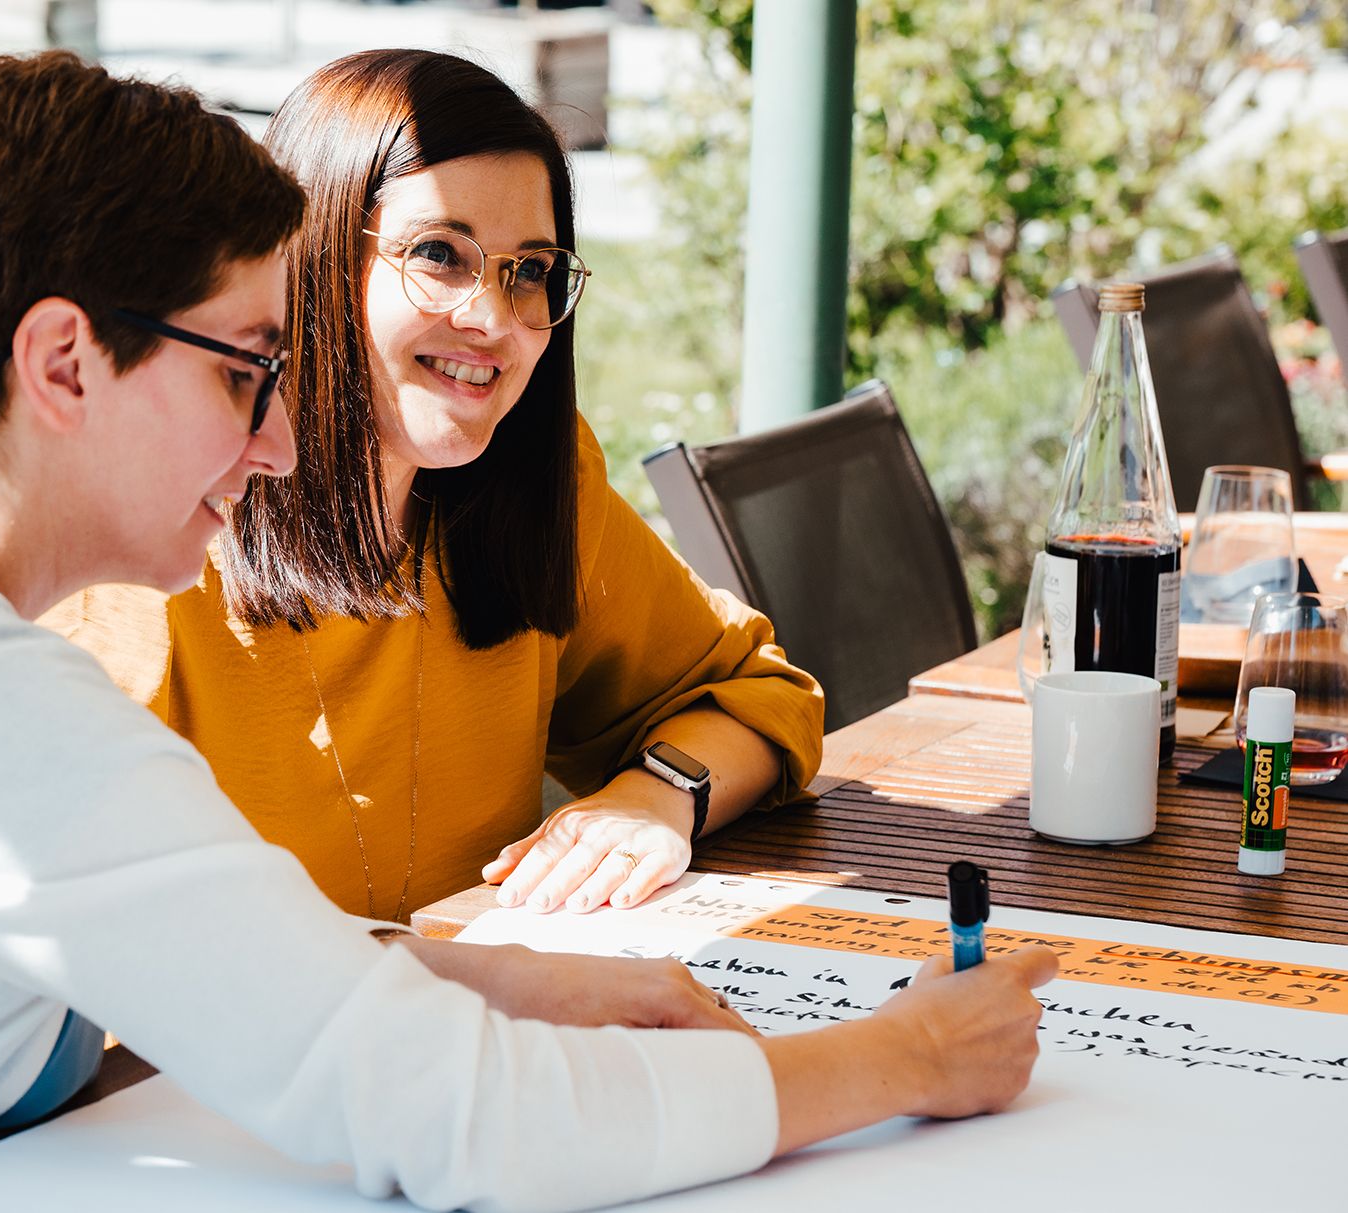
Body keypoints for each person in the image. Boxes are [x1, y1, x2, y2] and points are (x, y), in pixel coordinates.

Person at [0, 51, 1055, 1213]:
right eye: (244, 370)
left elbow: (165, 955)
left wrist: (477, 975)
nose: (276, 441)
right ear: (63, 361)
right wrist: (906, 1058)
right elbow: (464, 1124)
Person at [46, 48, 826, 924]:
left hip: (484, 1006)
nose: (493, 318)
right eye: (439, 254)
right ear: (311, 259)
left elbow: (762, 697)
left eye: (530, 270)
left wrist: (655, 796)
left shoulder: (533, 482)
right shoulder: (146, 562)